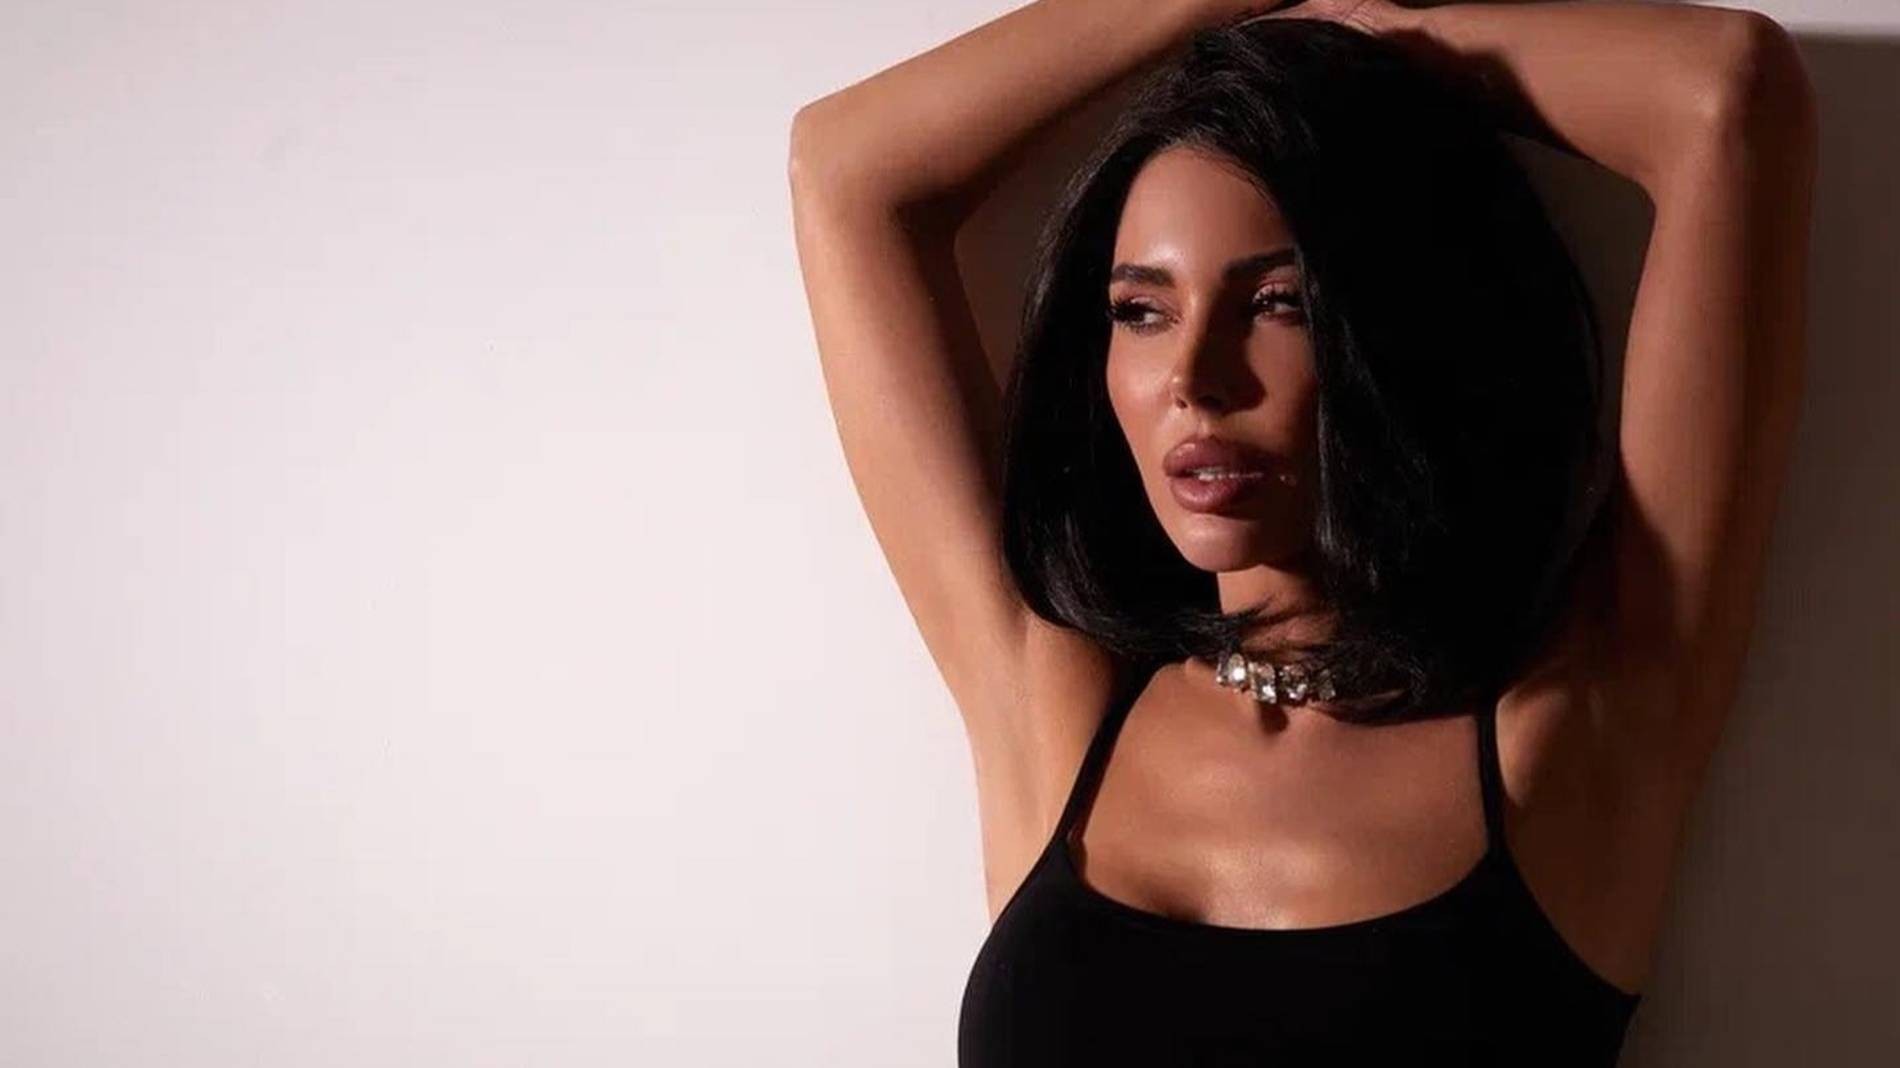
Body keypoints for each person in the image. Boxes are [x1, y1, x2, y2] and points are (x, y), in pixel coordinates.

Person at [788, 0, 1816, 1063]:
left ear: (1394, 328)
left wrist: (1365, 31)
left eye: (1281, 304)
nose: (1194, 381)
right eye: (1142, 311)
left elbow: (1724, 94)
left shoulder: (1570, 730)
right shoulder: (1058, 713)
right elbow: (844, 166)